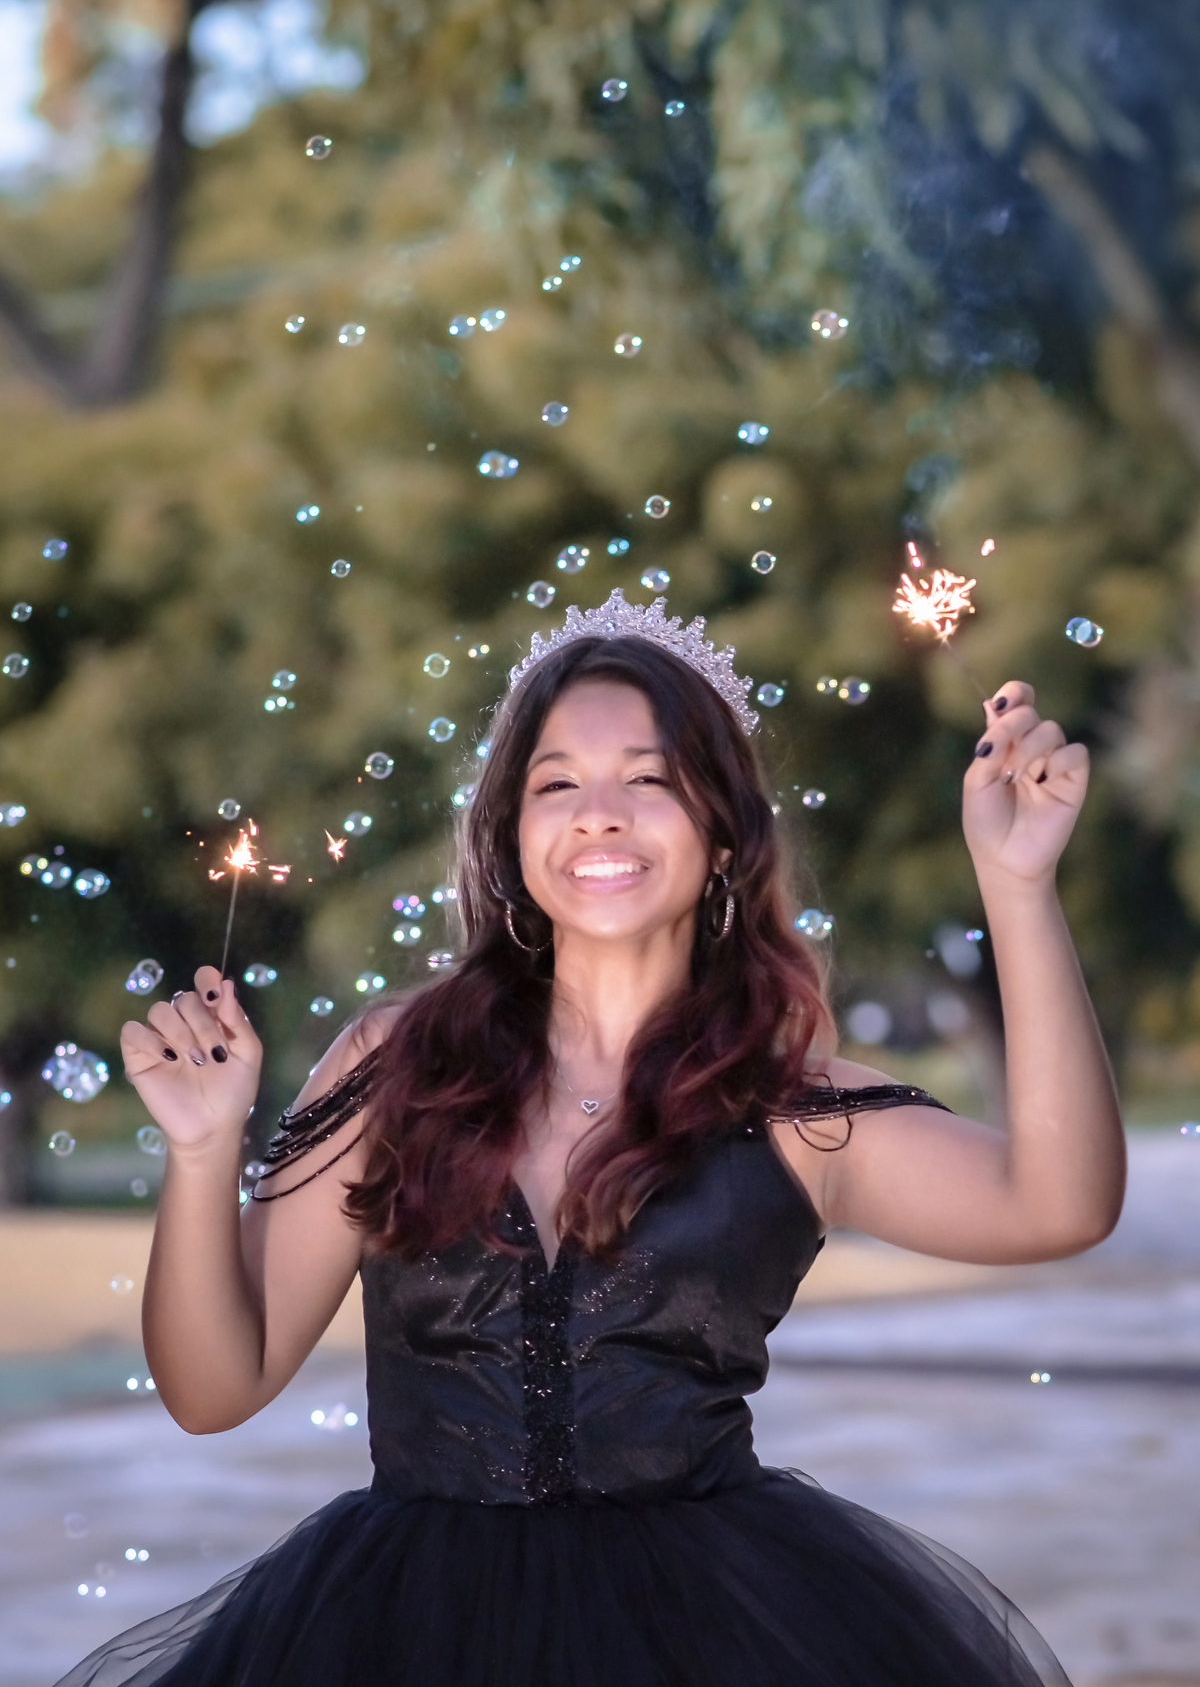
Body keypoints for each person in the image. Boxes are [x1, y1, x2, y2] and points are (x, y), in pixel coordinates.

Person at [58, 590, 1123, 1686]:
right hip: (403, 1633)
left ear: (722, 834)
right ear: (512, 835)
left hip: (714, 1631)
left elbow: (1060, 1204)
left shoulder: (789, 1109)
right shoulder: (396, 1066)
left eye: (649, 780)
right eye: (556, 782)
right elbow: (211, 1389)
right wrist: (200, 1154)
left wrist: (1019, 884)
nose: (599, 813)